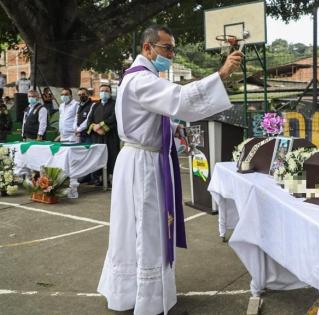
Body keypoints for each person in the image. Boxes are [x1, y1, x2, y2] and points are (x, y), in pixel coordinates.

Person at [97, 25, 242, 314]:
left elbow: (153, 115)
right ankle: (148, 299)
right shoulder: (141, 80)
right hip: (144, 164)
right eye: (167, 49)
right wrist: (222, 73)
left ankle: (130, 291)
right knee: (148, 227)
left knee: (133, 227)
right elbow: (180, 99)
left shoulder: (138, 77)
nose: (172, 55)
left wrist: (173, 128)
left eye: (173, 49)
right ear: (147, 48)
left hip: (137, 158)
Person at [87, 84, 119, 185]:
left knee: (111, 156)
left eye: (106, 91)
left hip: (110, 136)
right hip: (97, 137)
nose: (104, 93)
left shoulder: (115, 104)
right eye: (102, 91)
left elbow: (114, 119)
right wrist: (95, 128)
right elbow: (89, 120)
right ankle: (98, 178)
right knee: (97, 157)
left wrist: (102, 126)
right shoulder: (95, 105)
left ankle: (111, 179)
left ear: (110, 93)